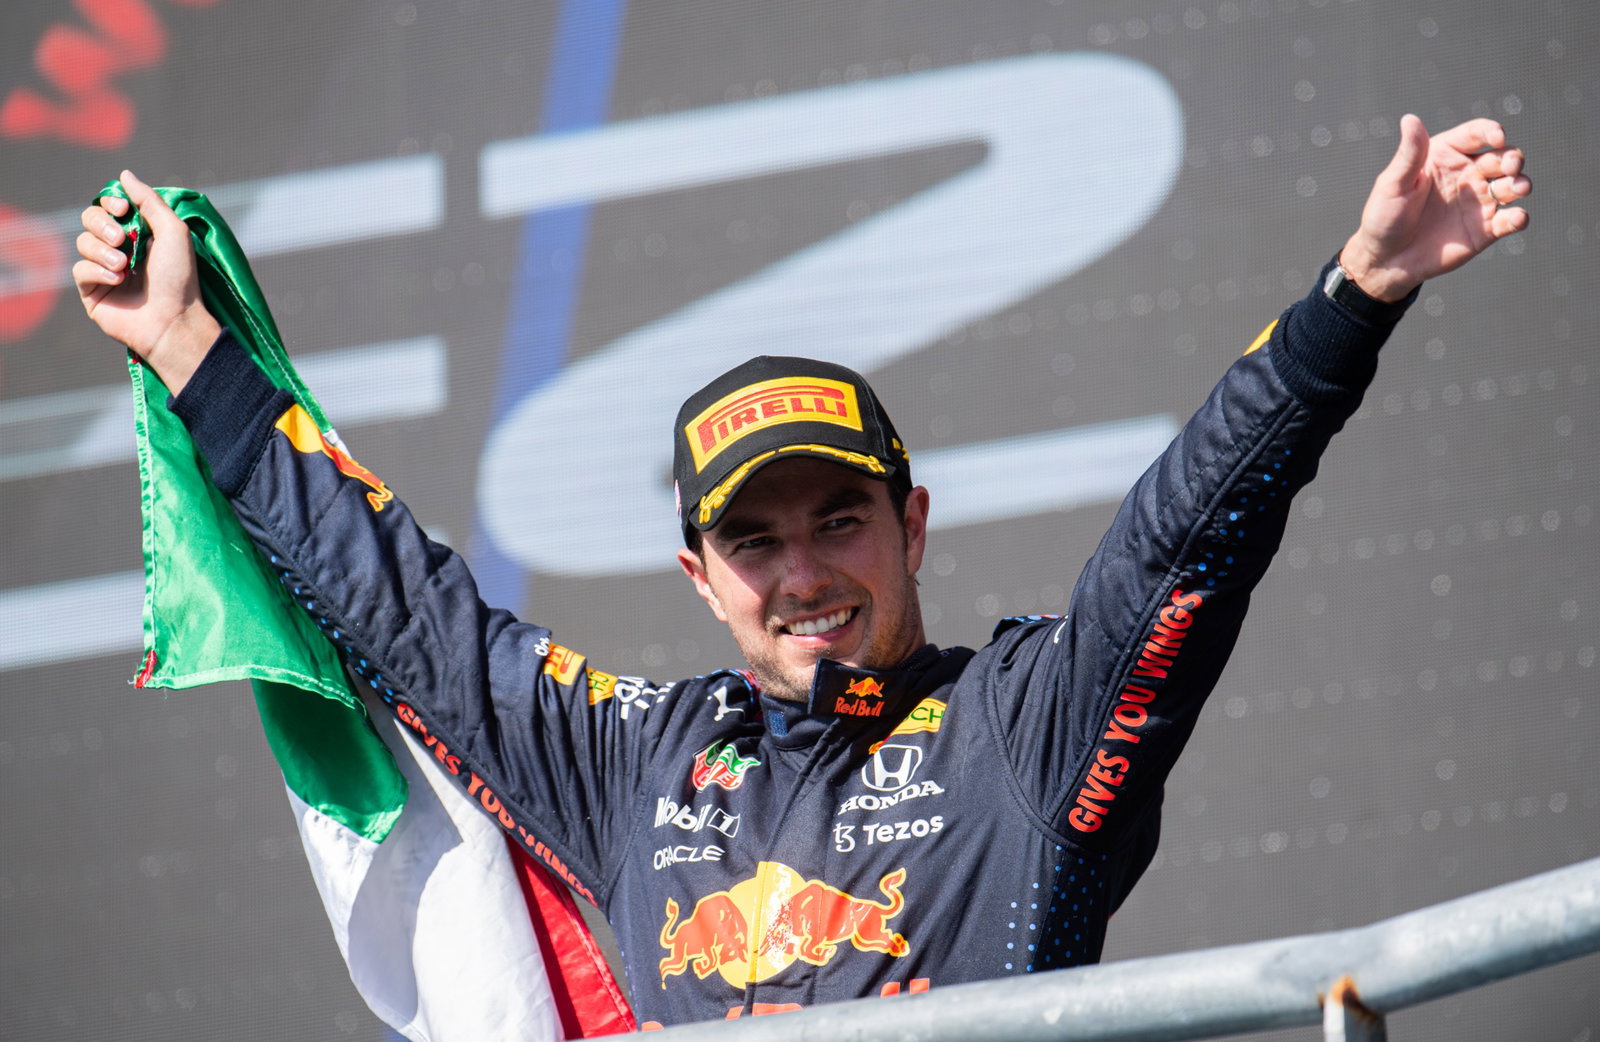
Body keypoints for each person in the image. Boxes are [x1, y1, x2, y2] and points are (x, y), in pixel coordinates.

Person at [73, 114, 1529, 1028]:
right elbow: (401, 609)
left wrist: (1359, 295)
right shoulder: (635, 762)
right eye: (756, 540)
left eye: (839, 520)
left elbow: (1184, 536)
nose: (803, 572)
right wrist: (189, 350)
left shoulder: (1023, 727)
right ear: (701, 576)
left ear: (914, 524)